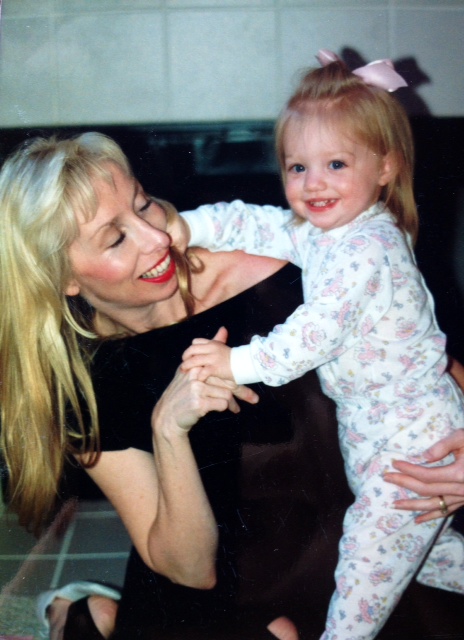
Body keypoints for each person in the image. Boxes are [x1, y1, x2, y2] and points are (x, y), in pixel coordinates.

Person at [1, 133, 463, 640]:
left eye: (144, 204)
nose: (157, 238)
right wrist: (167, 431)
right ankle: (80, 613)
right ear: (63, 277)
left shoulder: (281, 269)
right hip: (224, 589)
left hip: (369, 548)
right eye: (115, 239)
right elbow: (188, 570)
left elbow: (429, 364)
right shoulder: (87, 383)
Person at [179, 51, 464, 639]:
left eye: (336, 163)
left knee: (361, 578)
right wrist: (186, 227)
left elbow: (314, 333)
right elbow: (256, 224)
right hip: (379, 435)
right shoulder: (327, 232)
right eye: (297, 167)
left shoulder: (367, 248)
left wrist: (236, 362)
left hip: (409, 441)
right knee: (429, 558)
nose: (314, 184)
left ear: (385, 166)